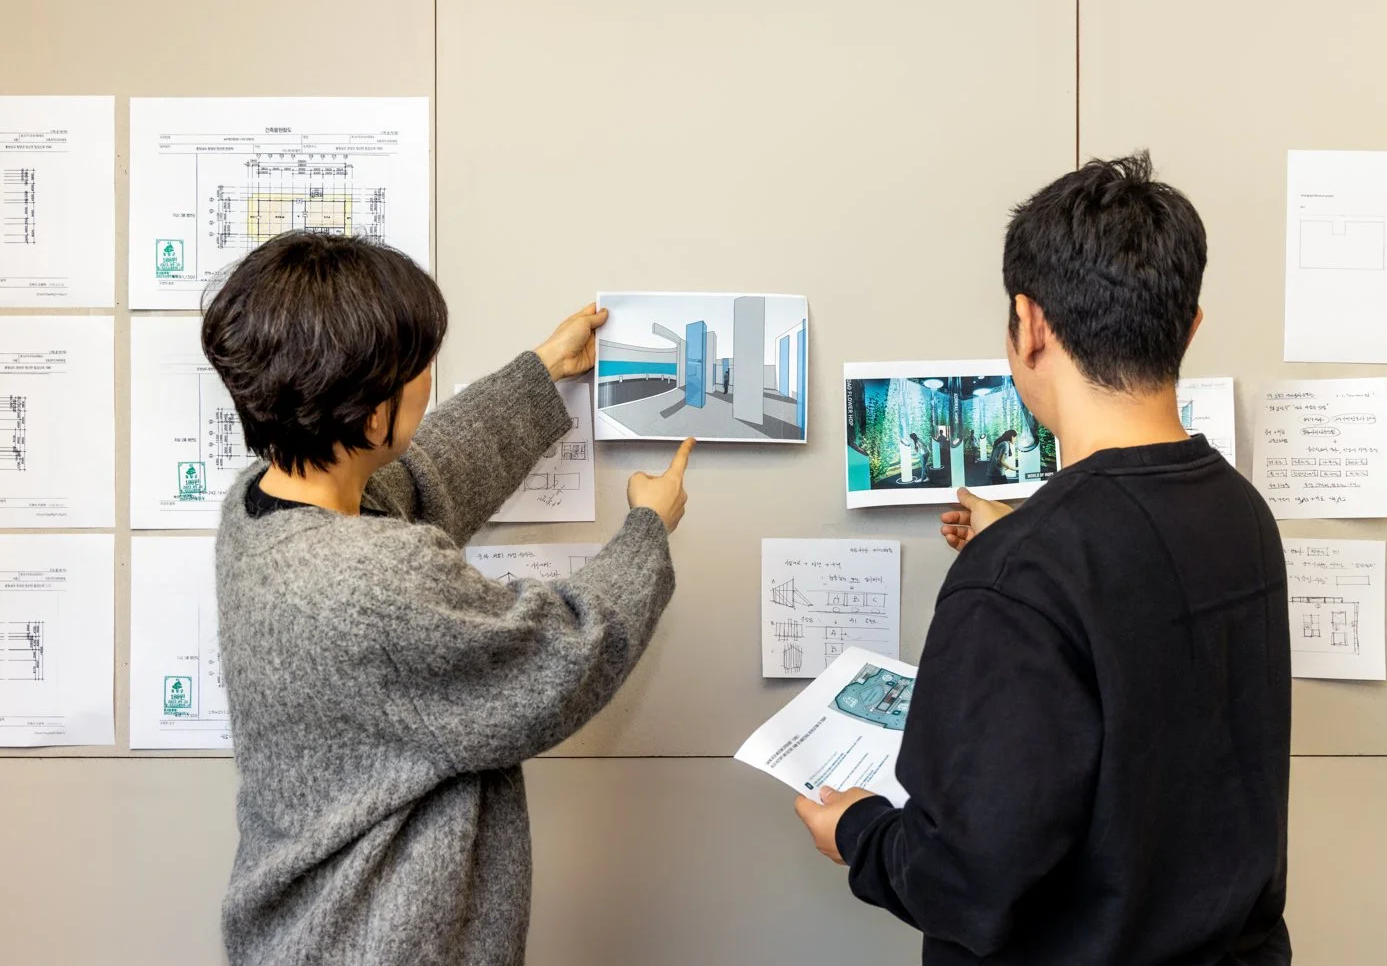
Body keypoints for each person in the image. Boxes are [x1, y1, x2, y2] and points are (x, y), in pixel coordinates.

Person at [795, 153, 1291, 966]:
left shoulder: (1023, 575)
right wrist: (1022, 550)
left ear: (1029, 324)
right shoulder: (1238, 509)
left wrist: (854, 831)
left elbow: (966, 875)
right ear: (1190, 324)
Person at [202, 232, 694, 966]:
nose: (431, 377)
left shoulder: (260, 508)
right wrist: (648, 530)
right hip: (385, 943)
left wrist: (542, 371)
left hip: (306, 933)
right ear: (373, 417)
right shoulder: (374, 583)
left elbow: (424, 478)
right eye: (420, 367)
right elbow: (564, 654)